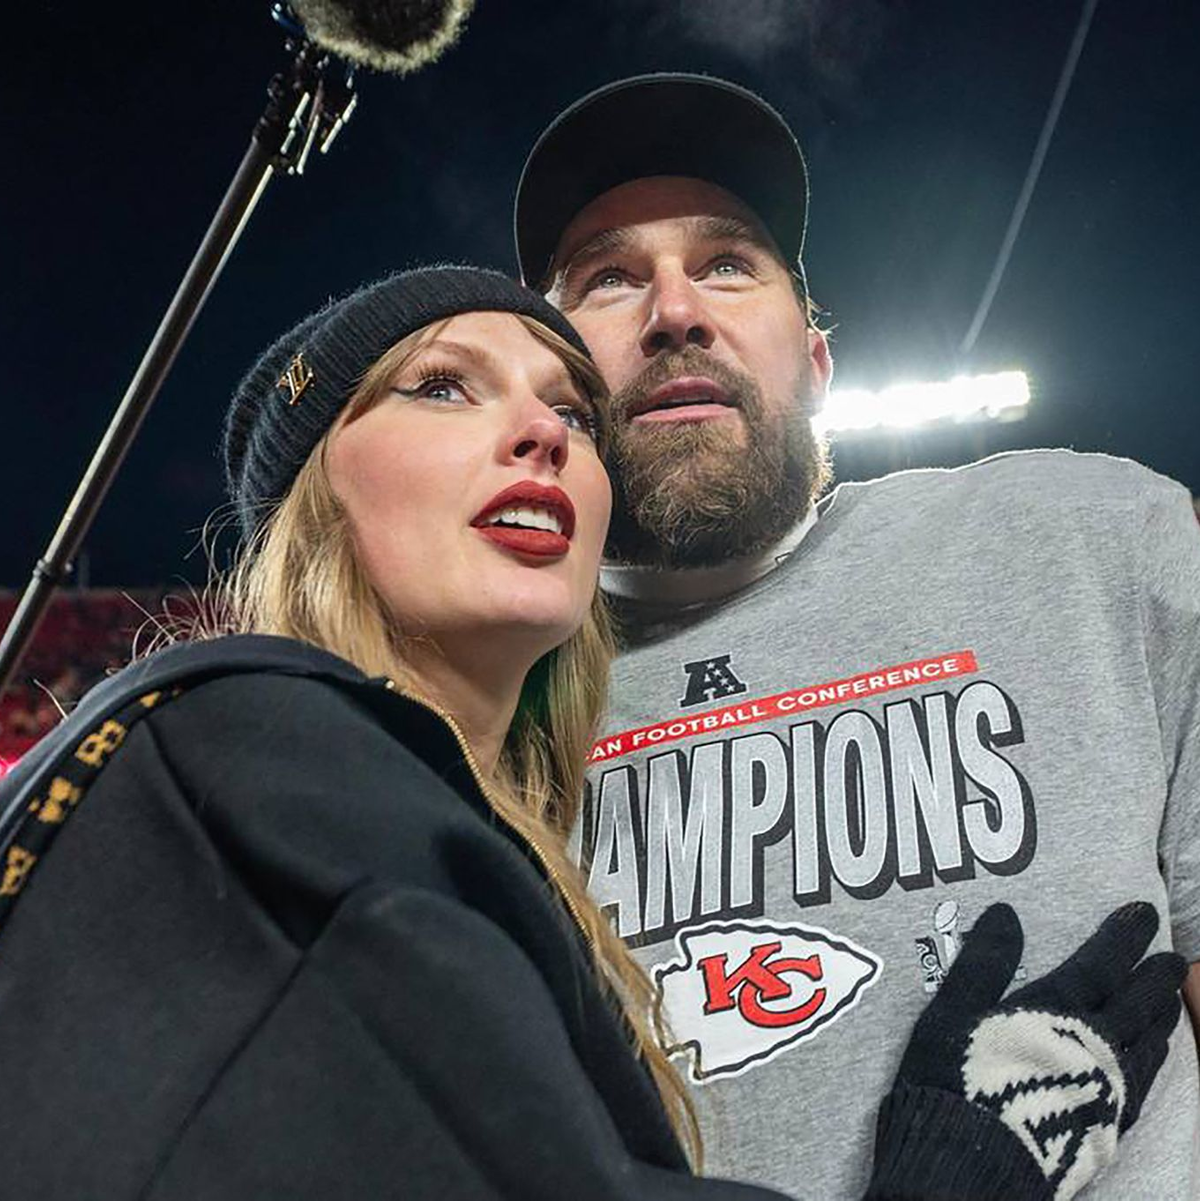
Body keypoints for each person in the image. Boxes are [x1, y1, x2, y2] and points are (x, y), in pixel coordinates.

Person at [0, 265, 1182, 1199]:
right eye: (445, 386)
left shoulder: (442, 814)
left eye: (570, 408)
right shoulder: (233, 755)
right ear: (317, 487)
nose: (543, 433)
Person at [514, 74, 1200, 1200]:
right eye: (608, 279)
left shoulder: (1092, 539)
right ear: (551, 393)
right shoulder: (482, 702)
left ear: (817, 364)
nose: (674, 309)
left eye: (728, 264)